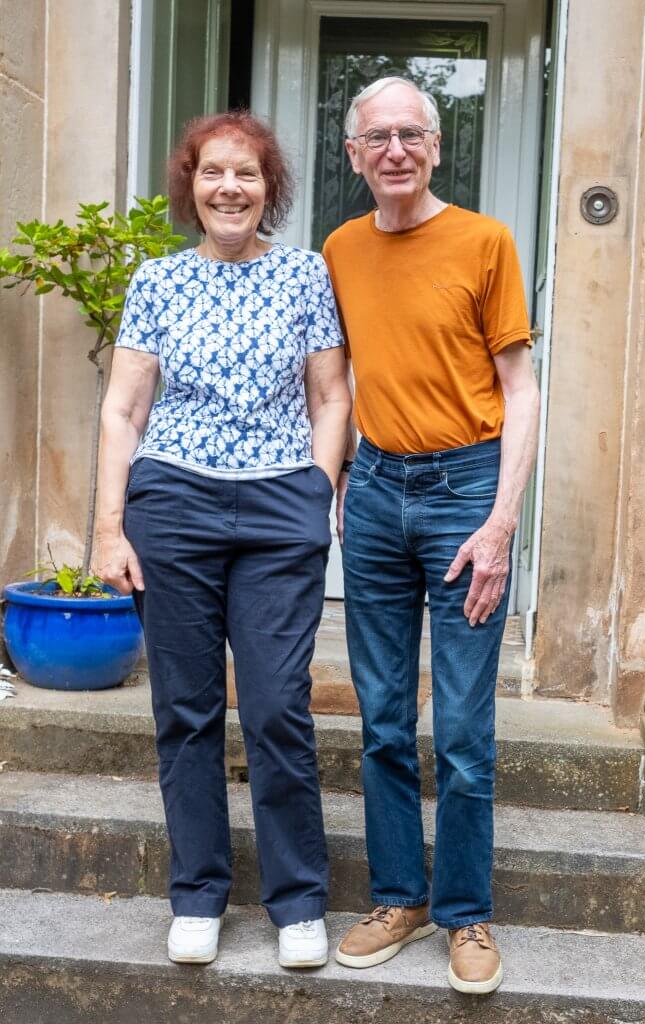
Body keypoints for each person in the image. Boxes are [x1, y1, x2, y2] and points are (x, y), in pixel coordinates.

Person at [94, 111, 351, 968]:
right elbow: (123, 408)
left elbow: (331, 397)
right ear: (191, 187)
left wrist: (316, 490)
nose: (229, 188)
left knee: (278, 706)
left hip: (280, 509)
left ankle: (298, 900)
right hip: (172, 506)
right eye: (213, 174)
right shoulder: (158, 280)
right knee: (186, 709)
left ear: (269, 188)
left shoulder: (306, 275)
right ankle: (198, 894)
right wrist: (107, 526)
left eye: (246, 174)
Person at [323, 77, 540, 994]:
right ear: (354, 155)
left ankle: (463, 914)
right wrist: (330, 485)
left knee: (460, 727)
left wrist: (500, 523)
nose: (396, 150)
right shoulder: (337, 249)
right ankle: (397, 898)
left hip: (465, 493)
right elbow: (330, 384)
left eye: (412, 134)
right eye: (378, 137)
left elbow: (521, 387)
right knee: (379, 718)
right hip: (373, 489)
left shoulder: (485, 240)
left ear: (438, 148)